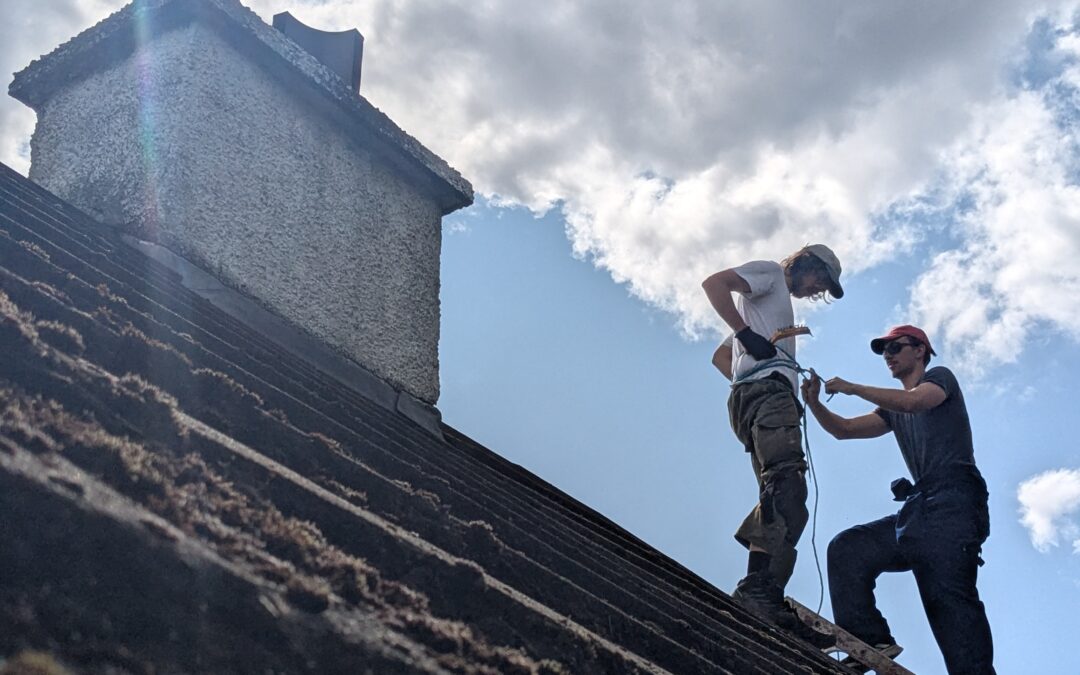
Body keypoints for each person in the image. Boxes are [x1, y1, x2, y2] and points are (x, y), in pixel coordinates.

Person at [801, 325, 994, 674]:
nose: (888, 355)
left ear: (919, 350)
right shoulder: (893, 409)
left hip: (954, 504)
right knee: (848, 549)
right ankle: (870, 639)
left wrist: (854, 388)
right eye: (883, 350)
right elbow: (843, 430)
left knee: (951, 609)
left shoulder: (938, 378)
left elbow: (916, 402)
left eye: (895, 347)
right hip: (919, 513)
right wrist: (813, 402)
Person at [701, 244, 844, 647]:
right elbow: (715, 283)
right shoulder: (770, 275)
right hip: (768, 397)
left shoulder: (770, 305)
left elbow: (719, 357)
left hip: (760, 396)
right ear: (806, 263)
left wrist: (750, 366)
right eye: (819, 280)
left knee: (782, 491)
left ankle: (765, 591)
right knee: (787, 484)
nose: (816, 290)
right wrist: (750, 342)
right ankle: (759, 592)